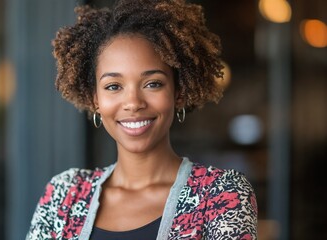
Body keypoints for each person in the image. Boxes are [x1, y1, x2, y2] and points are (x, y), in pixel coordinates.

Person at [26, 0, 258, 239]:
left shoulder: (219, 194)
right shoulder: (64, 194)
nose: (134, 103)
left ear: (177, 92)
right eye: (114, 86)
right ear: (95, 99)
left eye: (152, 84)